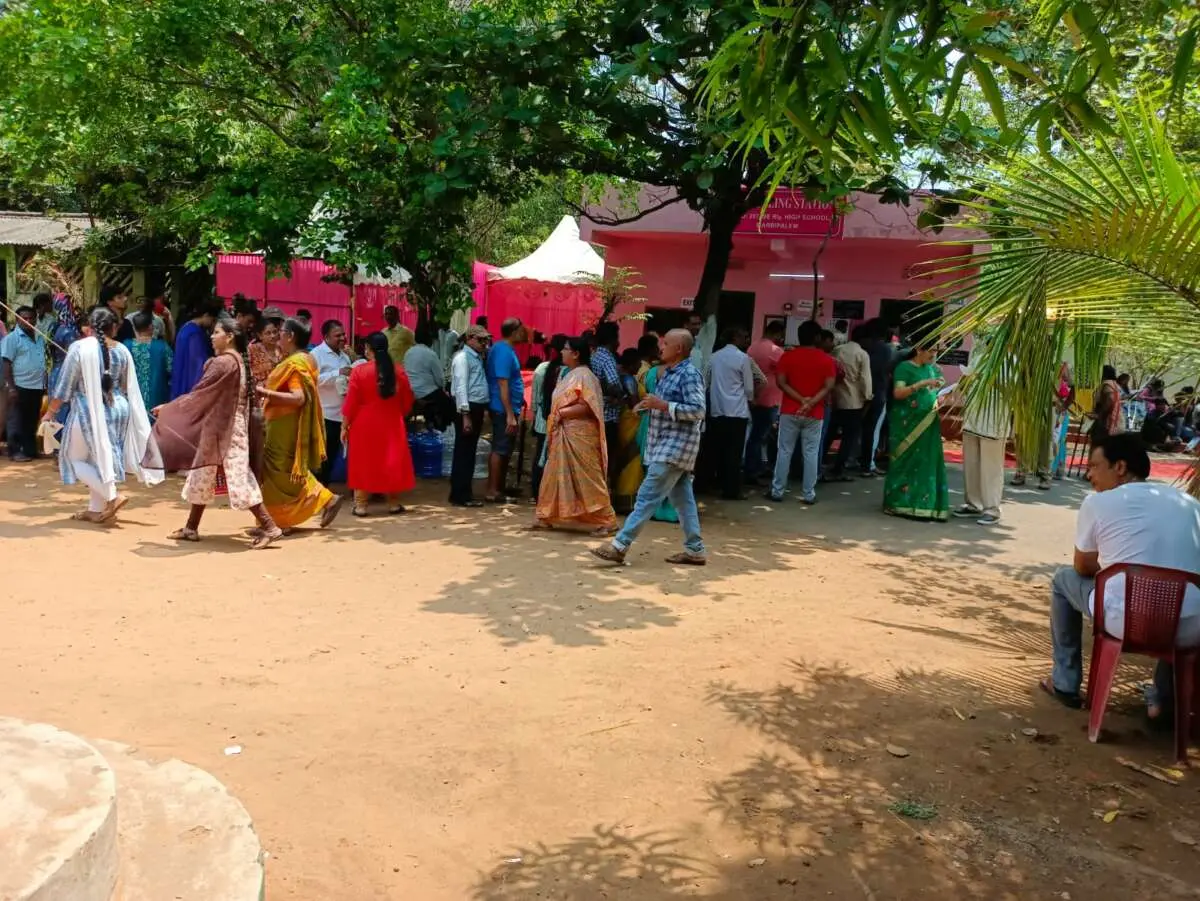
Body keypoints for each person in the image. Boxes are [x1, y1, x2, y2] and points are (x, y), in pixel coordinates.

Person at [1041, 433, 1200, 724]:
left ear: (1120, 467)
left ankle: (1064, 682)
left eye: (1094, 466)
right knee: (1180, 600)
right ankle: (1163, 701)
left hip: (1125, 621)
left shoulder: (1098, 502)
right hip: (1191, 629)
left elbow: (1083, 567)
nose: (1089, 475)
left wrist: (1117, 568)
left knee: (1063, 579)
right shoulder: (1189, 503)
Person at [152, 315, 282, 548]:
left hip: (226, 429)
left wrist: (169, 408)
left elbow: (200, 393)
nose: (212, 337)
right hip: (225, 427)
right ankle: (191, 527)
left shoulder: (223, 363)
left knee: (238, 477)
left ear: (229, 337)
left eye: (216, 333)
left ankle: (270, 527)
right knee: (203, 475)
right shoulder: (236, 360)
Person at [591, 329, 706, 566]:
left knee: (646, 496)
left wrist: (663, 405)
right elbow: (663, 404)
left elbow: (697, 410)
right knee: (683, 500)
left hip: (675, 447)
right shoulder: (669, 372)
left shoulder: (689, 374)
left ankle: (620, 545)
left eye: (666, 343)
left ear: (679, 349)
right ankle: (695, 550)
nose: (661, 347)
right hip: (666, 446)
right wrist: (647, 406)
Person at [40, 306, 163, 522]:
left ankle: (112, 496)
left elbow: (64, 387)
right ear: (114, 328)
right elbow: (124, 385)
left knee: (73, 459)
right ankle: (95, 509)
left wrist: (49, 413)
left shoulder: (80, 348)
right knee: (98, 459)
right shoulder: (122, 350)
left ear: (89, 327)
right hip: (118, 408)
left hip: (88, 409)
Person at [255, 317, 344, 530]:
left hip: (284, 424)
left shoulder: (296, 364)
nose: (278, 336)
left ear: (291, 336)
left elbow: (298, 398)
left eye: (281, 332)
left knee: (278, 472)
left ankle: (280, 521)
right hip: (285, 422)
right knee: (284, 471)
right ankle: (324, 500)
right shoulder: (306, 359)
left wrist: (265, 393)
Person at [533, 336, 617, 533]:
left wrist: (561, 413)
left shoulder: (585, 376)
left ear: (576, 354)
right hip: (564, 432)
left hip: (580, 435)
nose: (562, 352)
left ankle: (607, 520)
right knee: (554, 473)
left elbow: (587, 406)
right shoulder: (569, 374)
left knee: (588, 477)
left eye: (565, 349)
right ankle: (546, 515)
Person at [342, 331, 416, 516]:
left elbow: (351, 403)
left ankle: (361, 505)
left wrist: (344, 425)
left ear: (368, 349)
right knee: (391, 461)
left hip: (364, 423)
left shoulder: (359, 371)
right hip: (392, 422)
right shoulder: (398, 371)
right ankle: (393, 503)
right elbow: (407, 400)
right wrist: (399, 413)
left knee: (363, 462)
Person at [768, 320, 837, 505]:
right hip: (815, 412)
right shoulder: (826, 359)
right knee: (811, 453)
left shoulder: (787, 357)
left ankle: (777, 491)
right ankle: (808, 494)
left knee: (784, 451)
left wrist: (800, 400)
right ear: (817, 337)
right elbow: (828, 386)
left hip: (790, 410)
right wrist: (811, 402)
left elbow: (781, 382)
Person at [883, 344, 949, 521]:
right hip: (906, 424)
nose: (934, 355)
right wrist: (920, 384)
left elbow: (933, 391)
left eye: (936, 351)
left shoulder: (932, 369)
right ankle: (898, 502)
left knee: (926, 462)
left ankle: (925, 506)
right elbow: (898, 393)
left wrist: (940, 396)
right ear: (919, 349)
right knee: (904, 461)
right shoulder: (904, 368)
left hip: (928, 422)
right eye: (931, 351)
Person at [954, 352, 1011, 525]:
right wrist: (964, 381)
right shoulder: (979, 357)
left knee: (991, 468)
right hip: (973, 420)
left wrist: (989, 379)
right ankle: (973, 504)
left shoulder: (1011, 362)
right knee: (971, 465)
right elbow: (966, 382)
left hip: (993, 422)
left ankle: (992, 509)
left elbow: (1013, 393)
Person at [707, 327, 755, 500]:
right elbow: (749, 387)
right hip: (737, 411)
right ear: (735, 337)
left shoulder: (714, 357)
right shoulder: (743, 358)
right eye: (744, 336)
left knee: (716, 449)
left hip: (717, 409)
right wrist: (750, 400)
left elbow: (707, 381)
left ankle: (713, 483)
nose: (746, 340)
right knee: (734, 453)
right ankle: (731, 489)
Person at [484, 317, 526, 503]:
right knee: (500, 448)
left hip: (508, 407)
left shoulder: (505, 349)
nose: (524, 333)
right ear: (514, 332)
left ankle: (499, 487)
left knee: (505, 448)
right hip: (502, 409)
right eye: (522, 330)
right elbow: (503, 384)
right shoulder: (503, 351)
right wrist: (509, 414)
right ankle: (493, 490)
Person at [449, 324, 491, 507]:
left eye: (486, 340)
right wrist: (465, 415)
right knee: (464, 452)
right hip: (468, 408)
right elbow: (460, 388)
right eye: (480, 340)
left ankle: (462, 491)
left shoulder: (477, 357)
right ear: (470, 339)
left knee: (468, 451)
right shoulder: (463, 358)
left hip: (476, 407)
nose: (484, 344)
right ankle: (461, 494)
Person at [824, 324, 873, 481]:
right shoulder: (862, 354)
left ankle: (820, 462)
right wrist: (868, 397)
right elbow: (865, 379)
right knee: (848, 438)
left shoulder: (837, 350)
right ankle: (838, 469)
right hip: (853, 401)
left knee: (829, 434)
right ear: (865, 339)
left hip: (835, 398)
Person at [2, 305, 48, 461]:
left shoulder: (40, 337)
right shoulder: (11, 339)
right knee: (16, 420)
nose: (28, 321)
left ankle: (30, 450)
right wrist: (11, 387)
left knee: (32, 419)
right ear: (17, 320)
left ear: (35, 319)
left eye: (31, 318)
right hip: (19, 385)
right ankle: (15, 451)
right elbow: (6, 364)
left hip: (37, 386)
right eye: (24, 318)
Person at [310, 319, 352, 484]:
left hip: (342, 415)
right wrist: (337, 373)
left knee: (334, 454)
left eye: (343, 334)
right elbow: (313, 380)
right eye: (337, 335)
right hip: (325, 414)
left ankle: (325, 490)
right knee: (323, 458)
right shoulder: (316, 355)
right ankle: (318, 491)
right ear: (326, 337)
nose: (342, 338)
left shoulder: (345, 357)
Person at [745, 320, 784, 485]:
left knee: (757, 434)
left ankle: (757, 466)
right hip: (770, 398)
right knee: (761, 436)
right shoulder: (775, 350)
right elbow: (785, 370)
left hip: (754, 396)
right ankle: (753, 470)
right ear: (777, 333)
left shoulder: (752, 347)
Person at [589, 321, 626, 490]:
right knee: (608, 458)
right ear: (612, 339)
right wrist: (622, 395)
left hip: (595, 413)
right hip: (608, 417)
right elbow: (613, 384)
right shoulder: (608, 358)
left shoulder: (594, 356)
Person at [530, 334, 567, 500]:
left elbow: (535, 398)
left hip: (543, 420)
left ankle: (537, 492)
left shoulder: (542, 369)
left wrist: (534, 418)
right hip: (560, 420)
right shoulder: (568, 372)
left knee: (540, 455)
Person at [611, 347, 646, 513]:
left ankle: (620, 498)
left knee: (622, 461)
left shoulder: (619, 376)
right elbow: (635, 405)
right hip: (631, 424)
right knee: (632, 461)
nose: (639, 367)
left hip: (623, 422)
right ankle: (627, 499)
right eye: (638, 364)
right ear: (632, 364)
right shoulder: (629, 380)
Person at [122, 310, 173, 414]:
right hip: (156, 397)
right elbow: (172, 369)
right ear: (151, 327)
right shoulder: (162, 346)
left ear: (134, 328)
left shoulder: (126, 345)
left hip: (131, 396)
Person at [404, 325, 452, 431]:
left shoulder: (408, 352)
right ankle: (442, 428)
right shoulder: (430, 354)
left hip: (410, 391)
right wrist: (443, 389)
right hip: (426, 392)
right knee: (449, 404)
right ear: (429, 340)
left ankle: (430, 421)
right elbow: (440, 379)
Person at [170, 300, 218, 399]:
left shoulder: (186, 328)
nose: (212, 324)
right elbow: (197, 364)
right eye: (212, 320)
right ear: (206, 315)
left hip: (180, 378)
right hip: (189, 385)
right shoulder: (195, 333)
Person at [248, 307, 286, 390]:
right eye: (268, 333)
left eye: (275, 332)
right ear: (260, 335)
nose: (272, 336)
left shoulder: (283, 349)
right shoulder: (252, 349)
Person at [1090, 365, 1123, 451]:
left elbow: (1110, 399)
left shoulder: (1107, 384)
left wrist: (1099, 415)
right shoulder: (1115, 384)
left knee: (1100, 445)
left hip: (1106, 420)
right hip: (1115, 419)